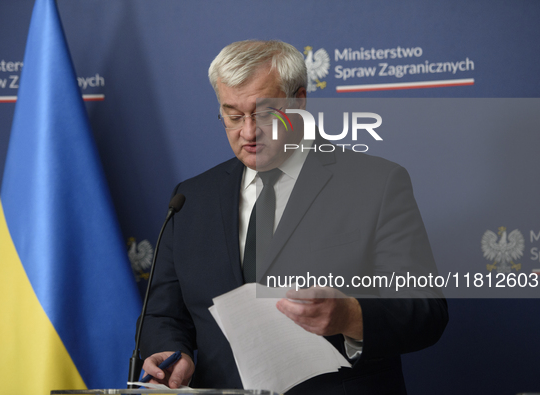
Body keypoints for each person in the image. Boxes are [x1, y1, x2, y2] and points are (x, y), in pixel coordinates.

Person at [139, 40, 448, 394]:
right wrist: (171, 353)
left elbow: (426, 311)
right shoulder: (190, 198)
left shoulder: (375, 183)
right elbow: (163, 314)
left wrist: (350, 316)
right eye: (233, 115)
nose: (248, 132)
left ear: (299, 100)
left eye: (265, 113)